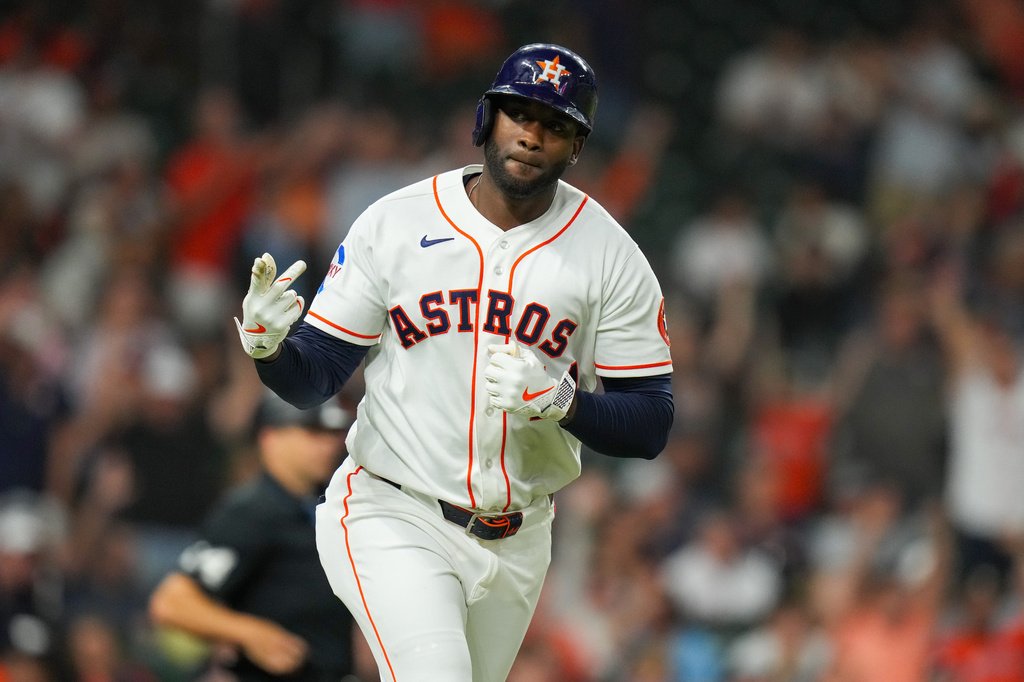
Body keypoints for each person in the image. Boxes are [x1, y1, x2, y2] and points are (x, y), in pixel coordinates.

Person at [233, 43, 675, 682]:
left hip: (521, 538)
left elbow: (651, 422)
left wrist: (564, 402)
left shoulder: (610, 255)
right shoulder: (396, 223)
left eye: (555, 125)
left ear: (575, 147)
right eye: (519, 115)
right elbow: (314, 379)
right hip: (395, 508)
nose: (532, 135)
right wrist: (270, 349)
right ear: (486, 120)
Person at [147, 391, 357, 682]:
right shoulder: (253, 511)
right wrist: (249, 633)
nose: (327, 444)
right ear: (270, 438)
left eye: (333, 433)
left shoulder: (324, 506)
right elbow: (171, 602)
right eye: (312, 431)